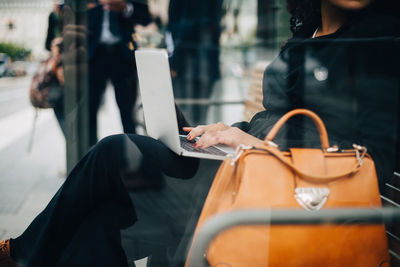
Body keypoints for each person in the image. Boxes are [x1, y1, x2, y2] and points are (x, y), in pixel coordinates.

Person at [1, 0, 400, 266]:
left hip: (289, 201)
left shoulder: (379, 43)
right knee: (103, 214)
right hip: (246, 173)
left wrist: (260, 146)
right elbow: (275, 117)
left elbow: (371, 162)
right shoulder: (307, 35)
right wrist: (229, 131)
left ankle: (19, 254)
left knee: (114, 154)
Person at [88, 0, 152, 145]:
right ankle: (93, 156)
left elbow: (145, 16)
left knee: (127, 110)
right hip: (95, 56)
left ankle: (133, 158)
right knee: (90, 110)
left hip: (122, 55)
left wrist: (126, 8)